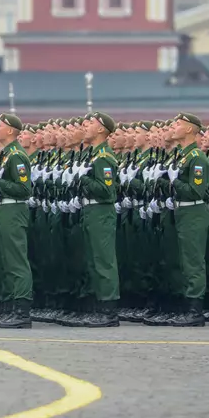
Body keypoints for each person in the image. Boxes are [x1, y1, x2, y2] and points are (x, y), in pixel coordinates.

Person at [165, 113, 209, 326]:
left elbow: (196, 191)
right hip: (181, 211)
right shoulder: (182, 156)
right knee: (182, 260)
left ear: (190, 129)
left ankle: (195, 311)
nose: (174, 127)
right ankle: (186, 307)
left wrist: (175, 183)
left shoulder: (197, 157)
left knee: (193, 261)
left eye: (178, 124)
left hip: (193, 212)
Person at [0, 113, 33, 329]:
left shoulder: (16, 155)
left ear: (10, 131)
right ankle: (10, 308)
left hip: (14, 208)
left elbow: (25, 189)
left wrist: (0, 184)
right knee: (6, 261)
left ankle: (21, 311)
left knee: (16, 261)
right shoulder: (6, 155)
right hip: (4, 208)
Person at [78, 111, 121, 327]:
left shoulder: (104, 158)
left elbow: (106, 190)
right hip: (91, 211)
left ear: (102, 129)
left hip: (101, 211)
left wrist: (83, 179)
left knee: (104, 260)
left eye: (90, 123)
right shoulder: (93, 155)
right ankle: (98, 306)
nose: (85, 125)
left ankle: (109, 311)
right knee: (93, 260)